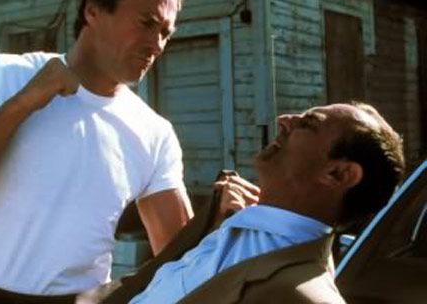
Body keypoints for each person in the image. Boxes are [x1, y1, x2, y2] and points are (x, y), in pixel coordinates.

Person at [0, 0, 257, 303]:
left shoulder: (154, 133)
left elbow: (179, 262)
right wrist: (24, 103)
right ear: (93, 10)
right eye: (147, 23)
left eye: (166, 33)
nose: (157, 44)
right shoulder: (6, 76)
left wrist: (216, 219)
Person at [93, 102, 404, 304]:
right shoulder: (223, 222)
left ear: (338, 173)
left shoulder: (302, 295)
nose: (284, 120)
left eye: (308, 124)